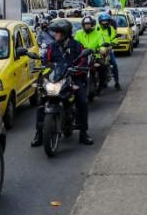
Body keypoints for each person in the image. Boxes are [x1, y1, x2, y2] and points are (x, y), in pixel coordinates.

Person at [31, 19, 93, 147]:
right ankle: (39, 133)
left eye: (58, 33)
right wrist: (44, 67)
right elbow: (45, 61)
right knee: (42, 102)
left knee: (82, 101)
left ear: (65, 34)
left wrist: (77, 70)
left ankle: (83, 132)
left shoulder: (77, 45)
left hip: (73, 77)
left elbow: (83, 59)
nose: (55, 35)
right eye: (55, 33)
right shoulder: (51, 47)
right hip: (55, 79)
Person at [96, 13, 121, 90]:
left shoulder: (111, 29)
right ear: (100, 22)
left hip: (108, 50)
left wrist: (114, 42)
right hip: (98, 50)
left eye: (106, 21)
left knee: (114, 64)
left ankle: (117, 82)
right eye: (103, 22)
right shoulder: (96, 28)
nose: (105, 23)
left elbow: (114, 38)